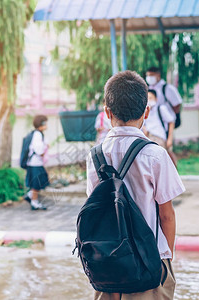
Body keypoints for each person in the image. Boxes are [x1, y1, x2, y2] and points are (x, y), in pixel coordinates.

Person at [86, 71, 185, 300]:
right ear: (146, 112)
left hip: (108, 265)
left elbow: (94, 206)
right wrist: (165, 261)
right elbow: (167, 216)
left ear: (107, 112)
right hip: (149, 264)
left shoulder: (95, 156)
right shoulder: (156, 155)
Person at [24, 115, 49, 210]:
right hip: (35, 163)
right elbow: (39, 150)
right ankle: (34, 202)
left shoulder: (38, 133)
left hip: (34, 163)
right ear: (42, 124)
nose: (47, 125)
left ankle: (30, 195)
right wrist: (44, 151)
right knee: (36, 183)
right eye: (45, 123)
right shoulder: (37, 134)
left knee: (39, 181)